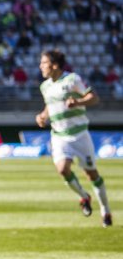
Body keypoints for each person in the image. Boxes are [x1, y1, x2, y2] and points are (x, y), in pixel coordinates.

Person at [36, 50, 112, 227]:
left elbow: (93, 98)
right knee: (63, 169)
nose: (41, 66)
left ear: (54, 65)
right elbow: (50, 104)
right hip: (59, 136)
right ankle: (84, 197)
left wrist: (78, 102)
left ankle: (105, 210)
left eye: (44, 63)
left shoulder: (72, 80)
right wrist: (43, 115)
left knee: (91, 174)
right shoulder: (45, 86)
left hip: (79, 135)